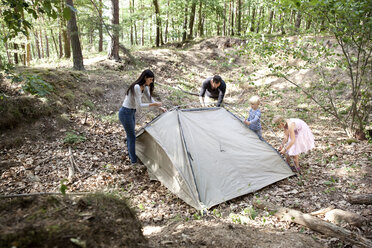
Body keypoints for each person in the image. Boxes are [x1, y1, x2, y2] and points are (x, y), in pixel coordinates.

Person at [118, 69, 166, 165]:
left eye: (152, 80)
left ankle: (131, 155)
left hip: (131, 112)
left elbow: (150, 99)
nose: (151, 81)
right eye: (150, 79)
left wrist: (160, 107)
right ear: (145, 77)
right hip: (125, 112)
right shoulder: (136, 87)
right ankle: (133, 161)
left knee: (131, 135)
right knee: (132, 137)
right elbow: (139, 105)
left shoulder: (145, 87)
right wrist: (153, 105)